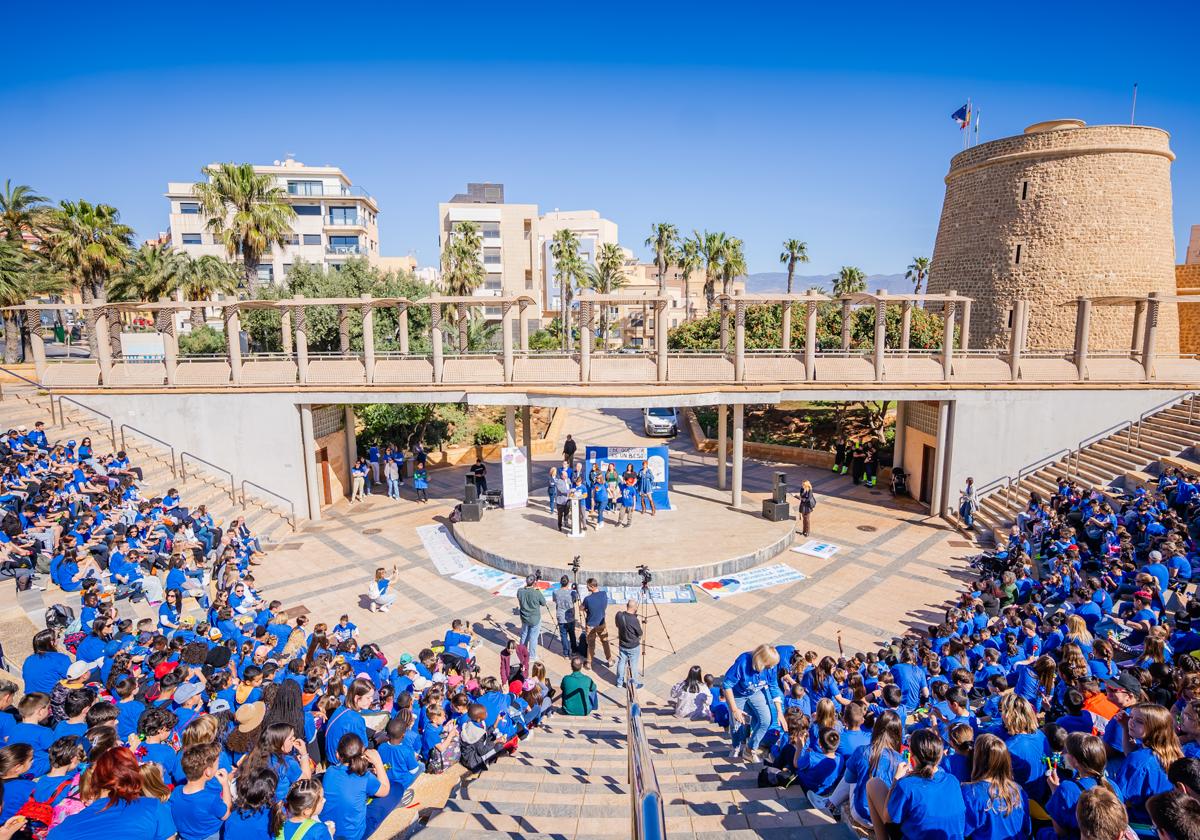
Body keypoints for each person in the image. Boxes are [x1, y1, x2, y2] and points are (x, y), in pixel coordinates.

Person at [873, 727, 966, 840]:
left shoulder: (906, 785)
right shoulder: (953, 780)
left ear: (912, 755)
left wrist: (895, 781)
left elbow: (887, 818)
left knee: (873, 784)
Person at [960, 733, 1031, 840]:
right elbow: (1027, 829)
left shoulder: (970, 794)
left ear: (978, 760)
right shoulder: (1018, 791)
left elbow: (961, 831)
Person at [320, 734, 389, 840]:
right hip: (352, 836)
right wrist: (378, 763)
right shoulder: (365, 777)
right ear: (362, 754)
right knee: (394, 790)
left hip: (328, 832)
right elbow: (385, 790)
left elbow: (347, 781)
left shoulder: (330, 772)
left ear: (337, 755)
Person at [722, 644, 783, 763]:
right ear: (761, 660)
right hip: (737, 694)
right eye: (769, 665)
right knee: (736, 724)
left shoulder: (771, 667)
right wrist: (735, 710)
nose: (771, 667)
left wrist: (779, 711)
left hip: (755, 692)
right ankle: (736, 746)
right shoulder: (743, 663)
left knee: (766, 720)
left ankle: (750, 750)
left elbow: (773, 686)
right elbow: (727, 685)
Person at [169, 743, 231, 840]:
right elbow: (225, 815)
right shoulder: (210, 798)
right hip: (210, 836)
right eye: (217, 764)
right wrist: (225, 784)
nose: (218, 766)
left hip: (185, 836)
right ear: (208, 772)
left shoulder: (176, 792)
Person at [515, 575, 548, 663]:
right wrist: (536, 590)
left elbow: (520, 595)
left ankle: (522, 652)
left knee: (524, 634)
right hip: (534, 618)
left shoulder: (520, 591)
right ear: (534, 583)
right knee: (533, 637)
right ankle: (532, 656)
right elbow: (544, 603)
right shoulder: (536, 593)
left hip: (524, 617)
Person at [581, 579, 612, 669]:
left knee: (591, 644)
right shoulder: (604, 594)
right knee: (605, 642)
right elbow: (603, 606)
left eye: (588, 586)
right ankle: (610, 660)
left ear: (592, 586)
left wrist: (584, 608)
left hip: (591, 625)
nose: (587, 587)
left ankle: (589, 663)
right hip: (601, 623)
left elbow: (581, 608)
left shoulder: (587, 599)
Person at [613, 599, 643, 688]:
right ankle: (634, 684)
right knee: (633, 664)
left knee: (621, 662)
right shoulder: (634, 620)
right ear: (635, 608)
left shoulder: (619, 615)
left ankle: (619, 682)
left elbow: (617, 625)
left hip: (622, 644)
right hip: (633, 646)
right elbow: (640, 633)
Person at [552, 575, 580, 656]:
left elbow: (554, 600)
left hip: (561, 617)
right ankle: (574, 651)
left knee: (563, 636)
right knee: (572, 634)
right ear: (568, 583)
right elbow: (576, 599)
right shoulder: (572, 593)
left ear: (560, 583)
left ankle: (566, 653)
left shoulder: (555, 592)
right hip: (570, 617)